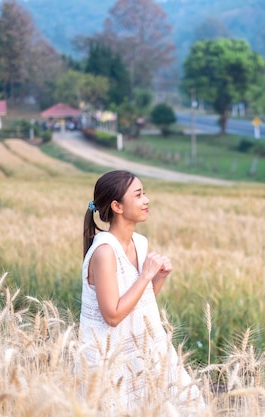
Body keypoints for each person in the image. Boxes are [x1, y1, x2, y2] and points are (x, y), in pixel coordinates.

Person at [77, 170, 203, 414]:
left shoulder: (140, 242)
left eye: (145, 193)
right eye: (138, 195)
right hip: (109, 360)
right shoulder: (104, 252)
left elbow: (138, 304)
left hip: (144, 351)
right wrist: (146, 275)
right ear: (117, 206)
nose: (146, 200)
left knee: (190, 404)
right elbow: (112, 316)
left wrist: (159, 277)